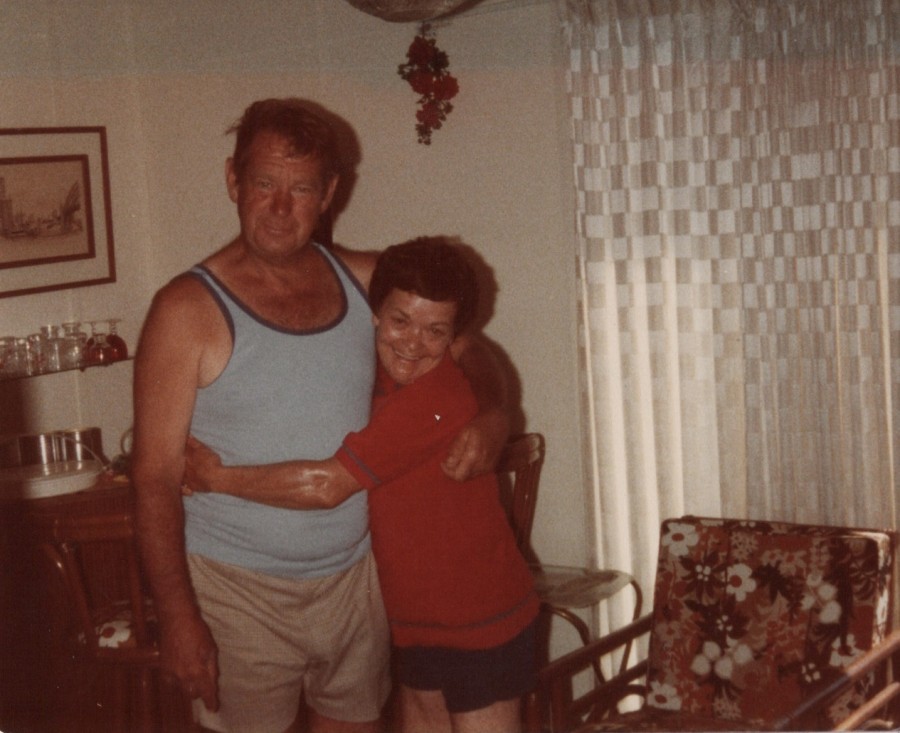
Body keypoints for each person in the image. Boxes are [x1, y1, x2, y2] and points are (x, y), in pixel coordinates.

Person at [131, 99, 510, 733]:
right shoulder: (186, 309)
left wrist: (497, 414)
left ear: (330, 193)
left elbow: (472, 348)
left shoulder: (364, 280)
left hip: (355, 581)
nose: (280, 207)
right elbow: (153, 479)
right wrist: (177, 618)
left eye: (301, 188)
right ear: (233, 180)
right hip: (238, 587)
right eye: (264, 183)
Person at [183, 237, 540, 733]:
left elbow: (327, 485)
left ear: (453, 335)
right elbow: (475, 351)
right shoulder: (375, 367)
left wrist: (214, 476)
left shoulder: (435, 400)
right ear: (374, 313)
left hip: (481, 622)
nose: (412, 343)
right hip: (417, 626)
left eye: (435, 331)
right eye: (400, 321)